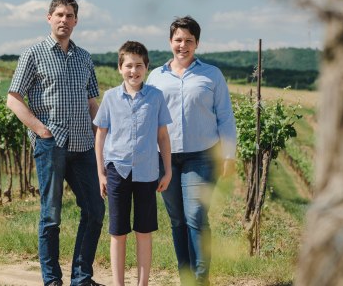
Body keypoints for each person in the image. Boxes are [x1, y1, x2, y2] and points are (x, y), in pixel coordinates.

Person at [7, 0, 106, 286]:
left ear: (76, 21)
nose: (64, 20)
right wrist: (41, 130)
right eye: (59, 14)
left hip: (84, 145)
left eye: (70, 15)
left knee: (95, 211)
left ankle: (82, 278)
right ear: (48, 18)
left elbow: (91, 103)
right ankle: (52, 280)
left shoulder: (84, 57)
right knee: (51, 216)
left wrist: (104, 133)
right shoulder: (33, 54)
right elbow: (13, 99)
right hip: (51, 144)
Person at [146, 16, 236, 286]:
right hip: (166, 158)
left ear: (197, 43)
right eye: (178, 40)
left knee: (196, 215)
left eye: (188, 40)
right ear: (170, 42)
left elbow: (226, 118)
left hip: (202, 156)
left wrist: (229, 155)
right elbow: (148, 118)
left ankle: (200, 279)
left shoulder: (211, 75)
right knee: (177, 220)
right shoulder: (156, 77)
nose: (182, 45)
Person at [93, 41, 172, 286]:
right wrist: (101, 174)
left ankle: (143, 283)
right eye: (128, 65)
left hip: (147, 172)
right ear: (120, 68)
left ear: (146, 67)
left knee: (144, 230)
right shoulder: (110, 97)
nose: (133, 71)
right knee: (118, 231)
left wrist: (167, 171)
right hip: (117, 170)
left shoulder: (156, 97)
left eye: (139, 66)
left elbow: (162, 136)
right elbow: (101, 135)